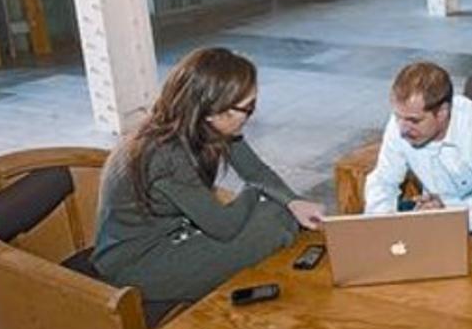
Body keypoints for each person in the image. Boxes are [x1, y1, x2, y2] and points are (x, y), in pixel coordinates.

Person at [92, 47, 325, 303]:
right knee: (272, 220)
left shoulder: (199, 125)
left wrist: (293, 201)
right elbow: (224, 227)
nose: (250, 115)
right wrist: (258, 193)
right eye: (248, 107)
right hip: (137, 267)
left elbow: (256, 171)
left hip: (174, 235)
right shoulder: (168, 156)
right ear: (214, 113)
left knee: (280, 211)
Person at [364, 61, 472, 236]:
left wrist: (448, 214)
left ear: (442, 112)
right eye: (398, 117)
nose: (403, 129)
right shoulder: (401, 123)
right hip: (429, 212)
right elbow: (383, 182)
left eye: (414, 121)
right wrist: (384, 226)